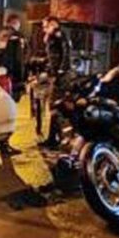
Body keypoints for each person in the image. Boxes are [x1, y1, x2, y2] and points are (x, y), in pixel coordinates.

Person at [39, 16, 71, 148]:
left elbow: (66, 53)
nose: (44, 29)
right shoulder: (52, 37)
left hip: (60, 77)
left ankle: (56, 138)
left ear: (53, 24)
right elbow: (52, 57)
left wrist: (60, 71)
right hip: (56, 75)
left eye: (46, 26)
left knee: (55, 105)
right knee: (54, 106)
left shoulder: (59, 35)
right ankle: (54, 137)